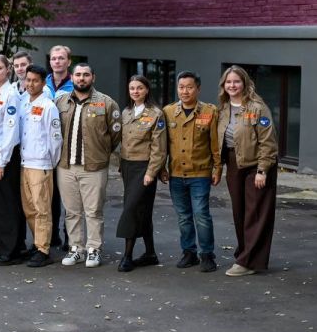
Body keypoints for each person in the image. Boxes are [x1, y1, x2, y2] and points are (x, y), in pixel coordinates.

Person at [55, 64, 120, 269]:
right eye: (78, 75)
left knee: (93, 211)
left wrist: (101, 152)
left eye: (85, 75)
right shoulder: (60, 102)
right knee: (71, 211)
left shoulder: (106, 103)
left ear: (93, 77)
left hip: (94, 167)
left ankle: (94, 249)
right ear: (71, 77)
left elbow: (115, 134)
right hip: (65, 166)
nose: (81, 78)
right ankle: (76, 249)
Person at [217, 66, 278, 277]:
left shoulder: (257, 107)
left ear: (244, 83)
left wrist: (263, 170)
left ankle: (248, 261)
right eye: (228, 82)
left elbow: (268, 142)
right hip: (234, 164)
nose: (232, 85)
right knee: (239, 212)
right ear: (224, 86)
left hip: (256, 165)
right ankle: (245, 253)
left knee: (256, 213)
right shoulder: (223, 109)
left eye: (236, 81)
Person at [161, 71, 222, 273]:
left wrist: (217, 168)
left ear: (198, 89)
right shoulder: (168, 112)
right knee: (183, 216)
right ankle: (189, 252)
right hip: (176, 174)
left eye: (189, 87)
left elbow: (215, 143)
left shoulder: (209, 112)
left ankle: (207, 255)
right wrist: (162, 167)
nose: (185, 91)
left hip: (200, 173)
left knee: (201, 214)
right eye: (181, 87)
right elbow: (162, 144)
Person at [116, 75, 167, 272]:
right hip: (127, 167)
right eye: (132, 88)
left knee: (130, 210)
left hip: (144, 168)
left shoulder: (155, 114)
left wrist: (152, 172)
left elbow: (159, 148)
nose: (135, 91)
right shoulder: (127, 112)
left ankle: (127, 256)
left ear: (147, 90)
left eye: (139, 88)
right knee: (142, 211)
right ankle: (150, 253)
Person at [18, 65, 62, 268]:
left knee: (42, 208)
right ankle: (37, 244)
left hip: (41, 164)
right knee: (29, 208)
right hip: (25, 163)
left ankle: (44, 249)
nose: (30, 84)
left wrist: (49, 163)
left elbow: (55, 139)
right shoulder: (24, 103)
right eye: (28, 80)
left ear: (44, 83)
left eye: (35, 80)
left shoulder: (48, 106)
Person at [0, 54, 25, 262]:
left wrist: (2, 161)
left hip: (6, 154)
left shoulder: (11, 94)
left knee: (6, 204)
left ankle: (12, 251)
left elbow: (11, 130)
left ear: (8, 70)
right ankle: (1, 245)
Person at [44, 45, 72, 247]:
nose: (57, 62)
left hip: (69, 147)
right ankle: (52, 235)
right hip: (46, 148)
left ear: (68, 62)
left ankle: (70, 237)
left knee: (69, 196)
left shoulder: (75, 84)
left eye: (61, 58)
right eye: (54, 59)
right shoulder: (43, 83)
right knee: (49, 195)